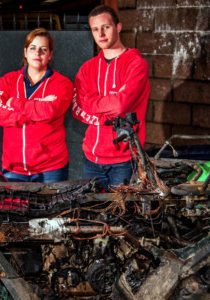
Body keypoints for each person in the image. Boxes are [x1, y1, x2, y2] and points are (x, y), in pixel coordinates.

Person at [72, 5, 150, 190]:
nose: (101, 33)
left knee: (120, 216)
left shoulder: (136, 64)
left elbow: (121, 104)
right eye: (95, 29)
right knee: (92, 215)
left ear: (118, 27)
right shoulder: (87, 68)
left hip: (124, 161)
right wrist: (106, 113)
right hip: (92, 159)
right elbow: (77, 108)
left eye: (106, 27)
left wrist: (92, 101)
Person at [0, 28, 73, 183]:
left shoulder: (62, 84)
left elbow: (49, 112)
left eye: (43, 49)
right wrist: (36, 108)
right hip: (13, 169)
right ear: (25, 52)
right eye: (33, 48)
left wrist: (13, 103)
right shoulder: (8, 80)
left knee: (52, 208)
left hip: (50, 169)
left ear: (50, 55)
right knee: (12, 208)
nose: (38, 53)